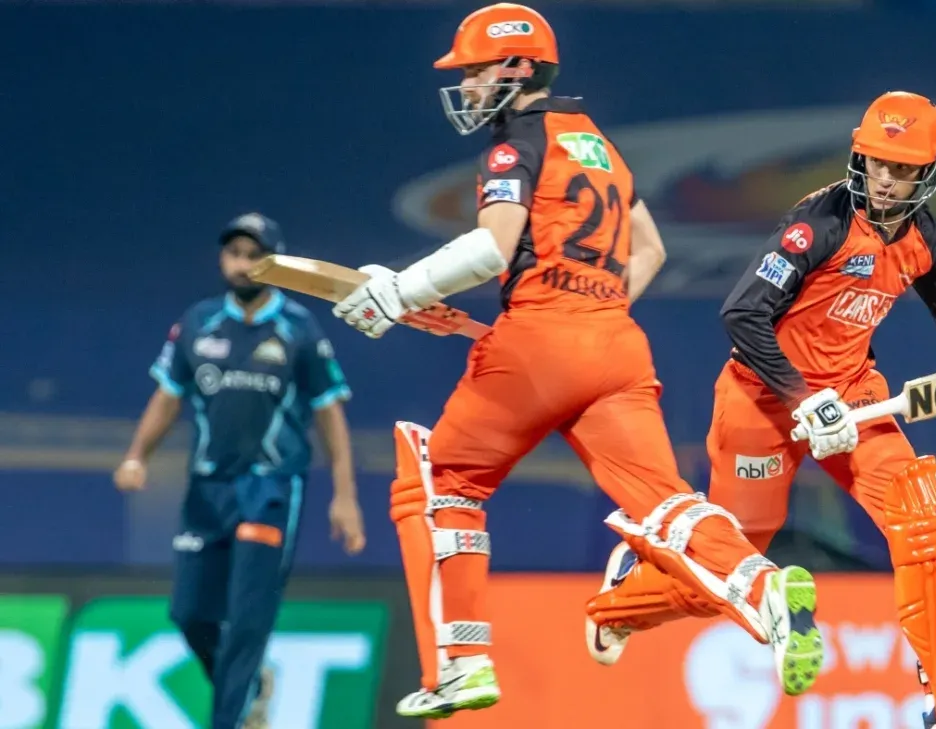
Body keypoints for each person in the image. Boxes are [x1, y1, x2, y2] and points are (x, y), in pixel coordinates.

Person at [330, 2, 825, 720]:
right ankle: (761, 585)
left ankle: (460, 665)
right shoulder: (598, 145)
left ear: (517, 67)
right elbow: (650, 249)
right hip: (615, 341)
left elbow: (493, 247)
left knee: (440, 481)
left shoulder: (514, 144)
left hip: (539, 342)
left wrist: (399, 291)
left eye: (474, 72)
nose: (465, 87)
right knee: (663, 501)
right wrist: (588, 305)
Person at [585, 91, 936, 729]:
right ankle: (622, 602)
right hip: (762, 401)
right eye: (878, 162)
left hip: (854, 395)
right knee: (733, 566)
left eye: (902, 168)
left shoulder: (926, 239)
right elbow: (742, 314)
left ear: (930, 171)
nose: (885, 180)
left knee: (930, 518)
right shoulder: (819, 223)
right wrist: (803, 399)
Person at [113, 212, 367, 729]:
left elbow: (330, 414)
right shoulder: (199, 321)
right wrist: (136, 455)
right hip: (208, 486)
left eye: (255, 256)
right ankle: (251, 689)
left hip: (271, 488)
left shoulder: (297, 327)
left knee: (249, 621)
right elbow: (168, 396)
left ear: (274, 262)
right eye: (235, 254)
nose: (243, 264)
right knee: (189, 613)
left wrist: (344, 496)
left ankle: (229, 718)